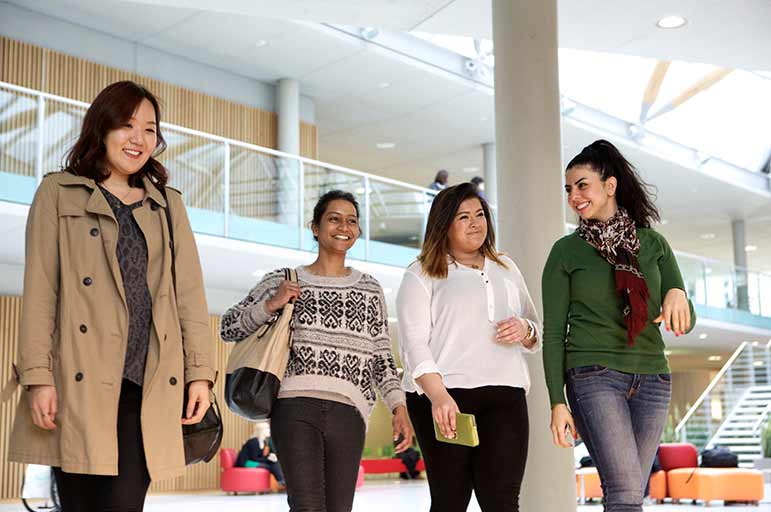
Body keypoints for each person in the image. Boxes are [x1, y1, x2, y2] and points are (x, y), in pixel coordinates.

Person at [8, 81, 215, 512]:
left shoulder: (168, 207)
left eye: (150, 129)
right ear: (101, 127)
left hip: (145, 386)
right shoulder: (58, 193)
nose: (139, 139)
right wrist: (38, 377)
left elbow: (189, 298)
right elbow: (41, 293)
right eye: (126, 124)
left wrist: (201, 374)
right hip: (78, 386)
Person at [220, 190, 412, 512]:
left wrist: (398, 406)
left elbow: (381, 357)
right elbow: (229, 326)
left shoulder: (369, 289)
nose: (343, 226)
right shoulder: (283, 280)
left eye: (351, 221)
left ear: (358, 231)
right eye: (334, 219)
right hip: (294, 408)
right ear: (315, 227)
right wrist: (271, 304)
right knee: (306, 507)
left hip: (349, 412)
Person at [542, 139, 695, 512]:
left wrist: (679, 296)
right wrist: (557, 401)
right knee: (625, 492)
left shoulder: (653, 244)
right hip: (594, 375)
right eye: (568, 189)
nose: (574, 196)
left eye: (582, 185)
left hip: (653, 376)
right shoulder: (567, 251)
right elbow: (552, 333)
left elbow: (683, 321)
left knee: (627, 494)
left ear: (610, 186)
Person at [397, 182, 541, 512]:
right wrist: (439, 396)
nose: (475, 223)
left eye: (480, 214)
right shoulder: (421, 273)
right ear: (444, 224)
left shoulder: (506, 266)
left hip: (506, 394)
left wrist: (524, 329)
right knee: (451, 500)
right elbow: (414, 345)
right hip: (446, 398)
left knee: (503, 501)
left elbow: (535, 329)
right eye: (463, 217)